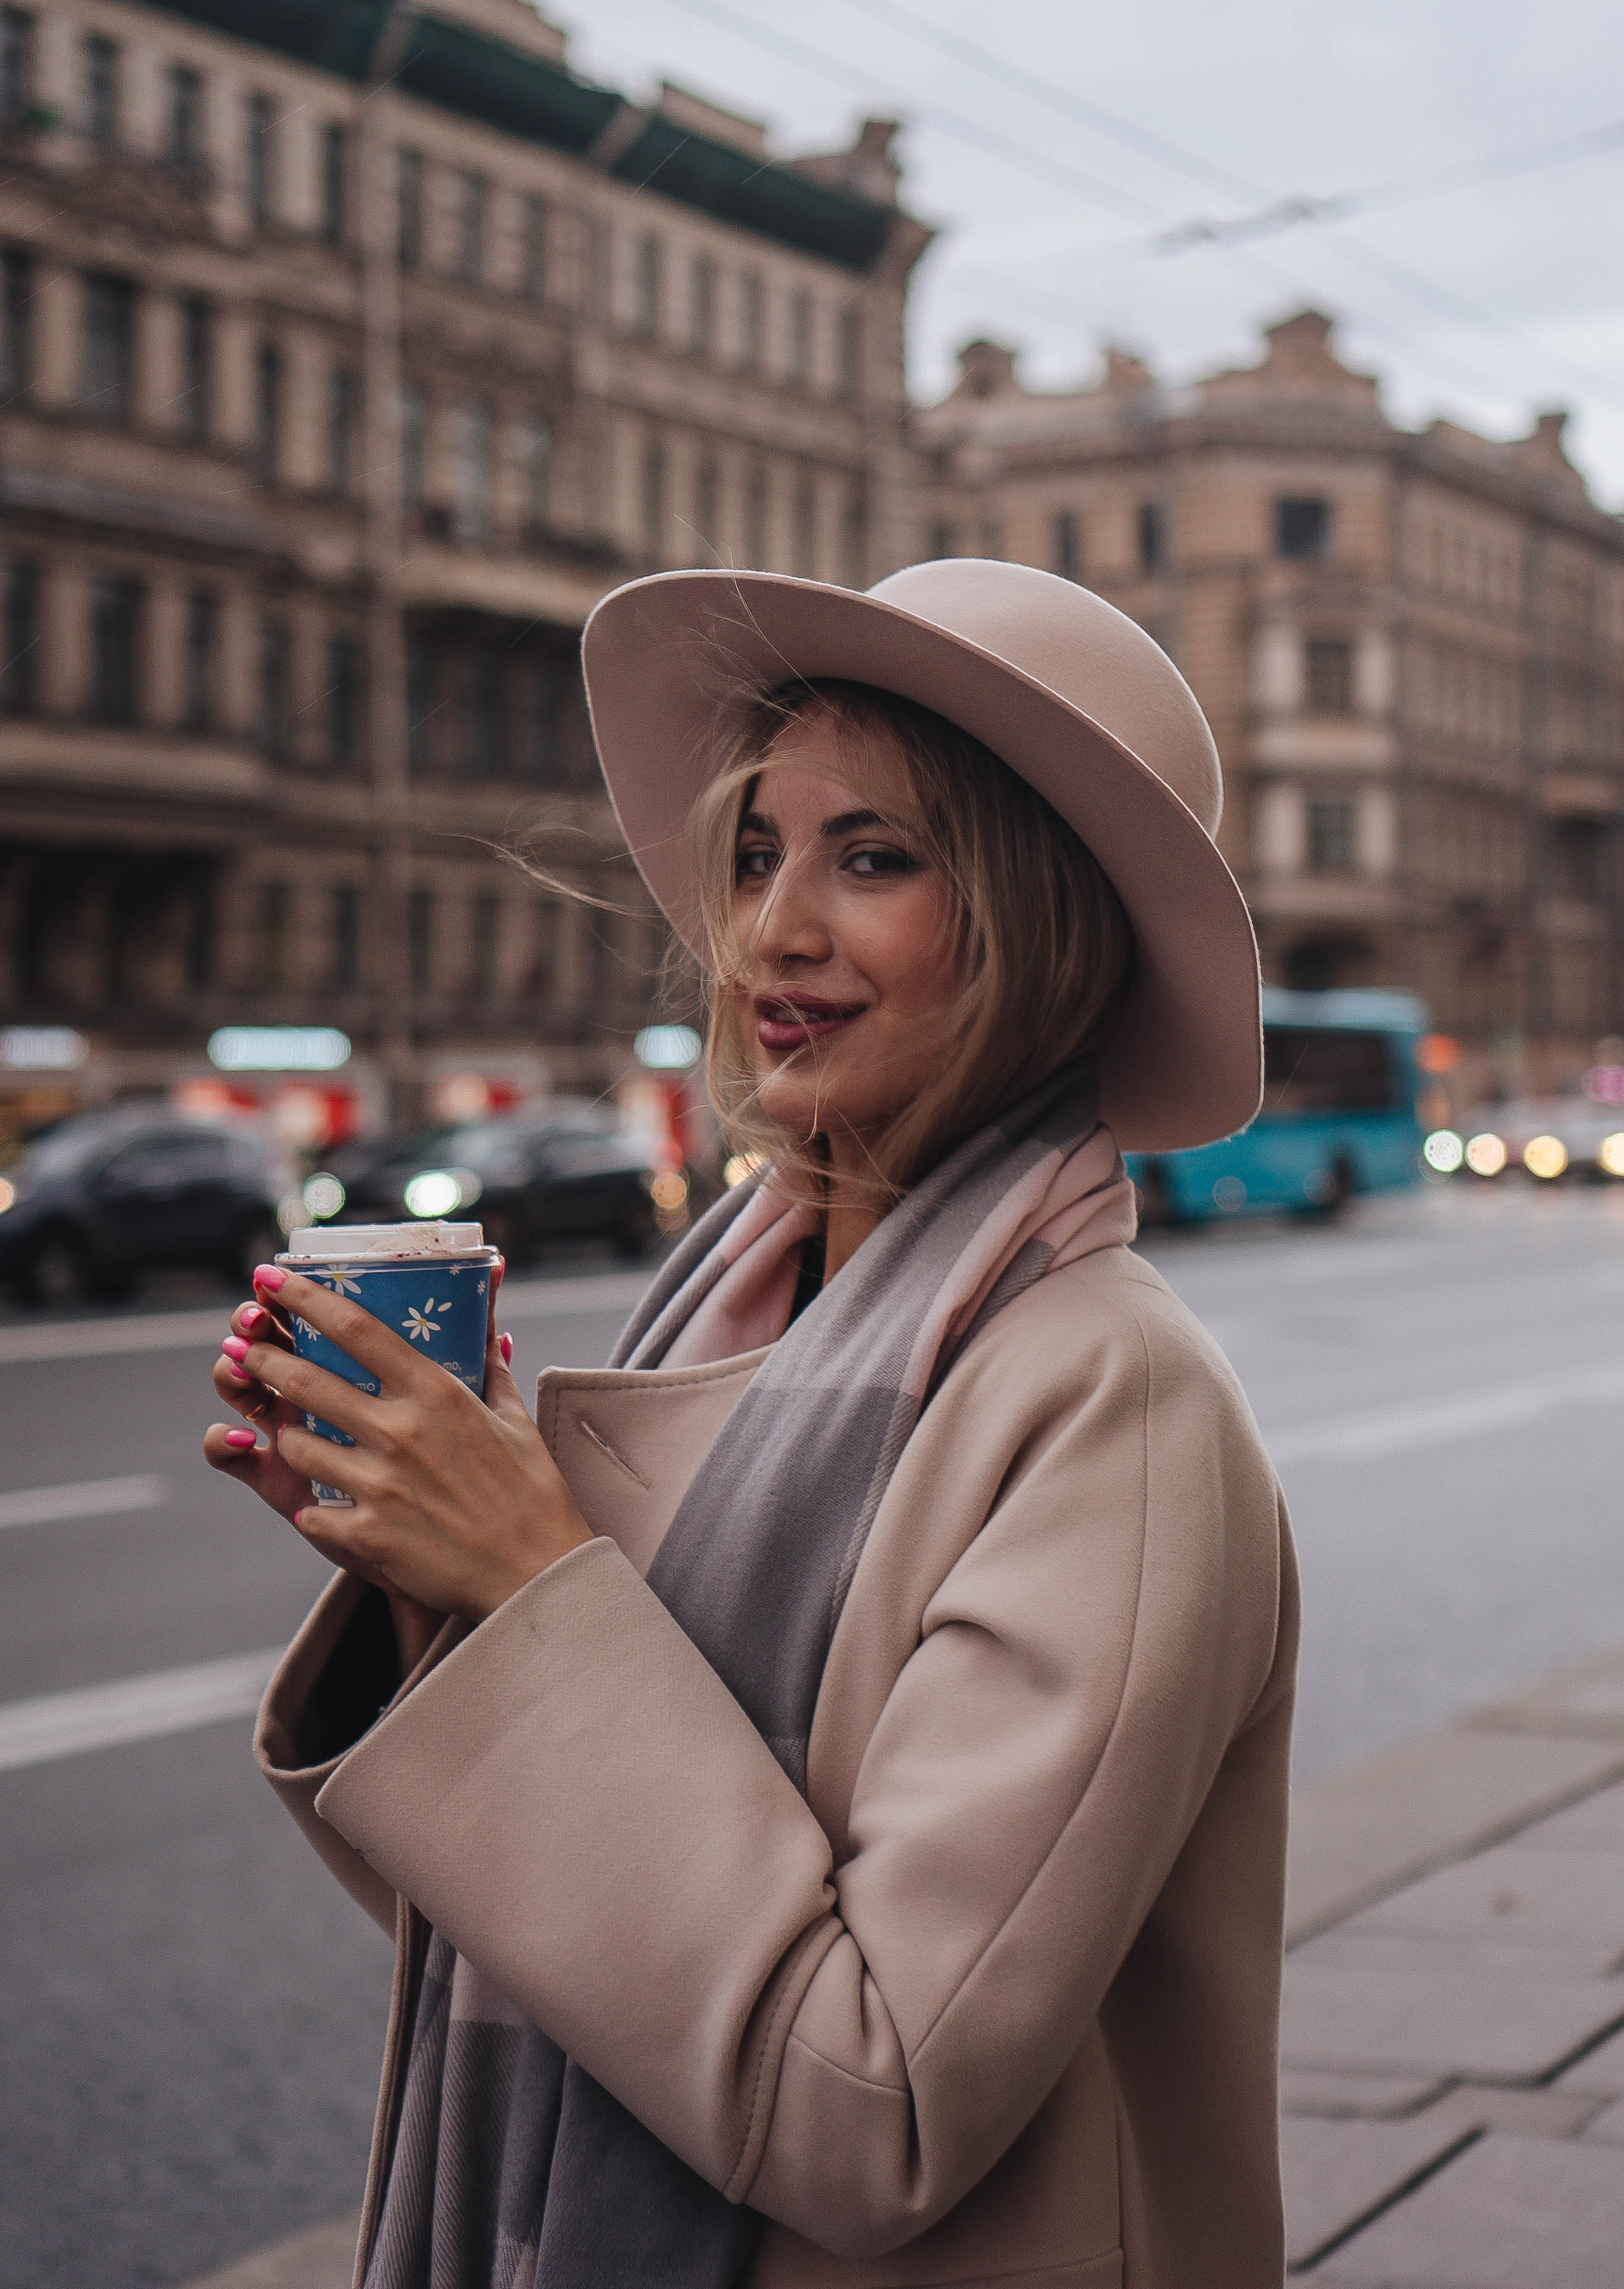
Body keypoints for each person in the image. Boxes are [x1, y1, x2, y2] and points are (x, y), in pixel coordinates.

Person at [207, 559, 1297, 2289]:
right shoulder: (736, 1331)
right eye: (753, 853)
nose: (767, 933)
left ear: (1051, 923)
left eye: (874, 857)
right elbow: (565, 1955)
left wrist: (531, 1590)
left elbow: (875, 2117)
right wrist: (434, 1579)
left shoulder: (1111, 1395)